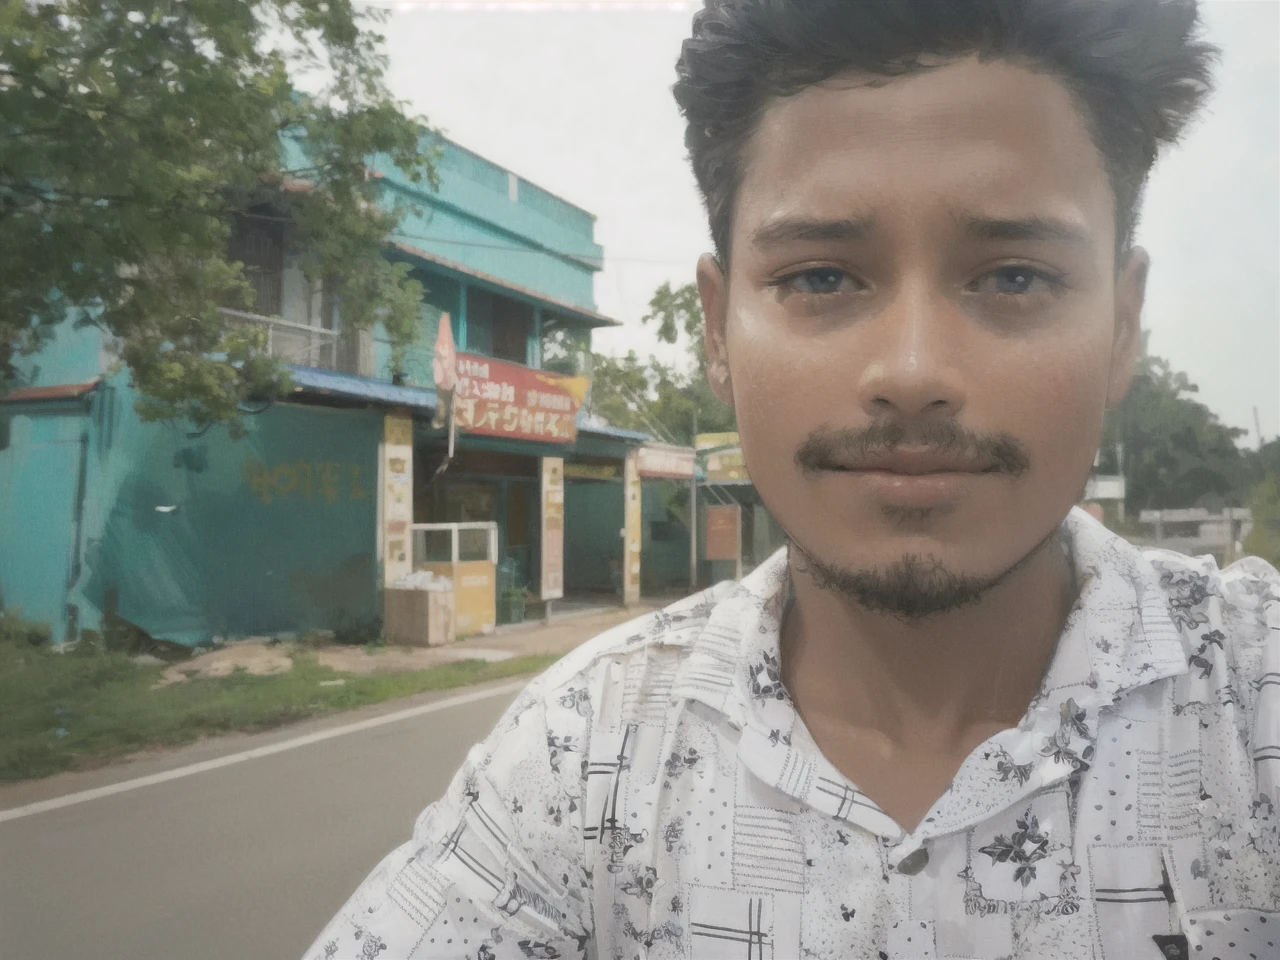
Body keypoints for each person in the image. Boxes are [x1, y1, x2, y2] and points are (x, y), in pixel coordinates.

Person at [304, 2, 1279, 957]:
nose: (909, 373)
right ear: (718, 331)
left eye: (1013, 276)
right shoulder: (585, 757)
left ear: (1119, 325)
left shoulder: (1250, 701)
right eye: (820, 278)